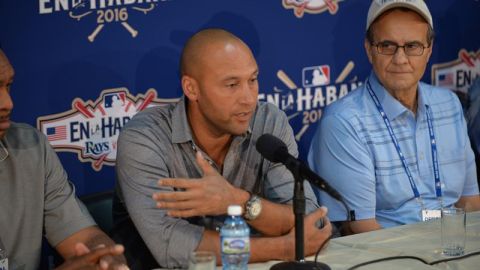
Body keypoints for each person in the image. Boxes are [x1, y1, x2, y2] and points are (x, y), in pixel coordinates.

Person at [113, 28, 332, 269]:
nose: (249, 98)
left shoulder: (268, 122)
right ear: (191, 88)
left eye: (253, 80)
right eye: (231, 85)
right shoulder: (145, 138)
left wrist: (238, 201)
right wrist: (282, 248)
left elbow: (308, 221)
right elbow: (170, 246)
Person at [308, 0, 480, 234]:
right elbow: (361, 229)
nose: (400, 59)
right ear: (369, 50)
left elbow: (470, 202)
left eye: (412, 46)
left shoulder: (448, 104)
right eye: (387, 46)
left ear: (428, 50)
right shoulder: (344, 121)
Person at [0, 49, 128, 270]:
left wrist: (103, 258)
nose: (8, 103)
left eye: (8, 86)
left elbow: (81, 236)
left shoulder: (31, 148)